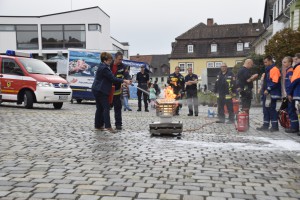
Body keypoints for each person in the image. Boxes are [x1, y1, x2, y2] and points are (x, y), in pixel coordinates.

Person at [92, 52, 131, 133]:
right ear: (105, 60)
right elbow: (112, 78)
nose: (110, 62)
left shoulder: (103, 66)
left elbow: (125, 75)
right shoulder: (105, 68)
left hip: (98, 89)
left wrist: (126, 80)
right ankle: (108, 126)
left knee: (99, 108)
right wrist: (123, 80)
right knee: (106, 108)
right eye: (109, 60)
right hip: (101, 90)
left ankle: (98, 125)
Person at [256, 56, 281, 132]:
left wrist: (268, 89)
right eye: (264, 62)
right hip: (267, 94)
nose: (265, 64)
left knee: (271, 110)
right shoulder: (268, 70)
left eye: (266, 62)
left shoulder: (274, 70)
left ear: (270, 61)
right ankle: (265, 125)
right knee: (266, 110)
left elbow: (275, 82)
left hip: (271, 94)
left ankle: (274, 127)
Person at [110, 52, 130, 130]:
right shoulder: (109, 65)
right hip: (108, 90)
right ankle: (104, 123)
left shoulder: (123, 66)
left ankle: (118, 124)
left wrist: (128, 80)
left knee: (118, 108)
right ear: (115, 58)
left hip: (117, 90)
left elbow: (126, 75)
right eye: (119, 59)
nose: (121, 61)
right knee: (105, 108)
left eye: (121, 59)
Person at [287, 53, 300, 135]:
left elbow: (294, 81)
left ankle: (295, 128)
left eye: (295, 59)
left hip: (298, 93)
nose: (294, 61)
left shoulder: (298, 67)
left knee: (298, 111)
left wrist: (289, 92)